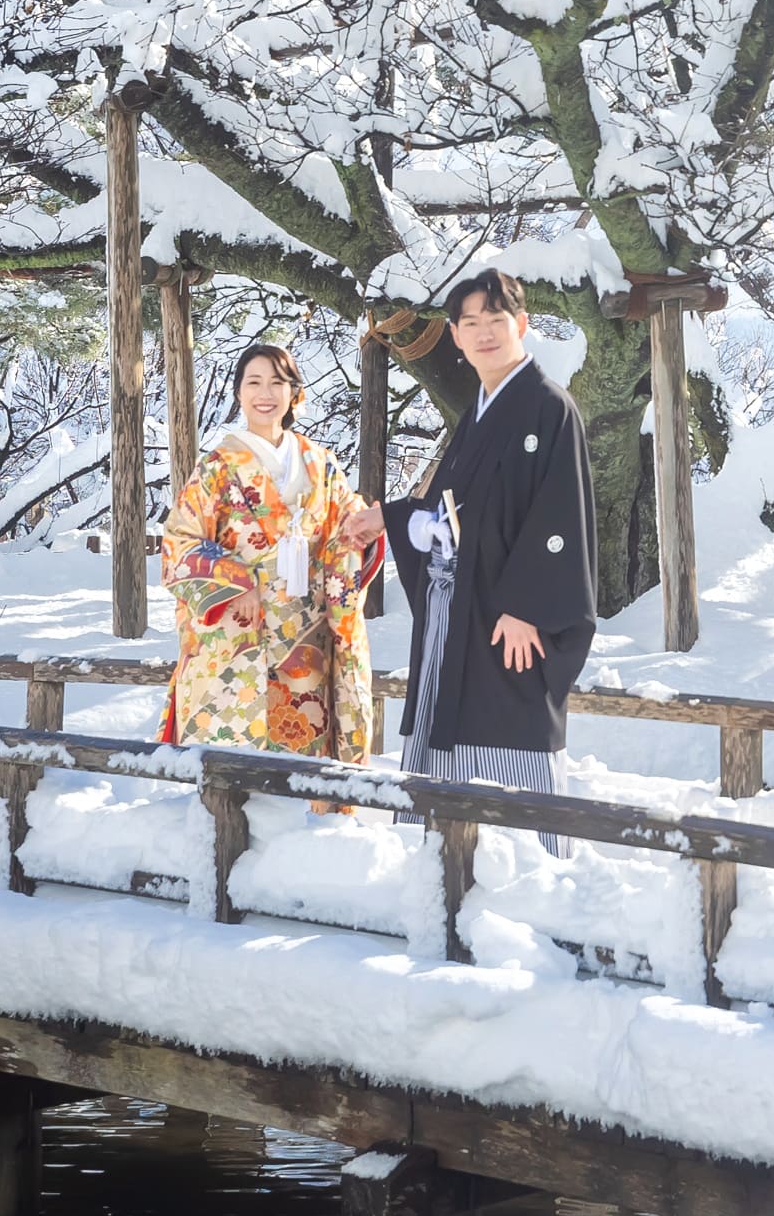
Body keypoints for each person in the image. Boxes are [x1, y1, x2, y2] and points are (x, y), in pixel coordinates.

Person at [382, 269, 597, 833]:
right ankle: (441, 858)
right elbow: (453, 508)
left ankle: (521, 861)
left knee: (509, 719)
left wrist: (529, 604)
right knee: (449, 724)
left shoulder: (549, 406)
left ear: (522, 325)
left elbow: (561, 515)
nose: (484, 334)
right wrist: (392, 519)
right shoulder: (476, 414)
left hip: (511, 616)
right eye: (470, 323)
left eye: (495, 321)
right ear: (454, 335)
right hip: (457, 611)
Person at [159, 343, 388, 762]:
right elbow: (180, 540)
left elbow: (349, 528)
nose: (266, 393)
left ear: (293, 393)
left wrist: (369, 525)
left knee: (302, 765)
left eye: (277, 383)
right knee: (233, 765)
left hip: (306, 636)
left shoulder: (322, 463)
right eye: (254, 382)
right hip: (237, 633)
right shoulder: (218, 466)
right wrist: (232, 582)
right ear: (239, 393)